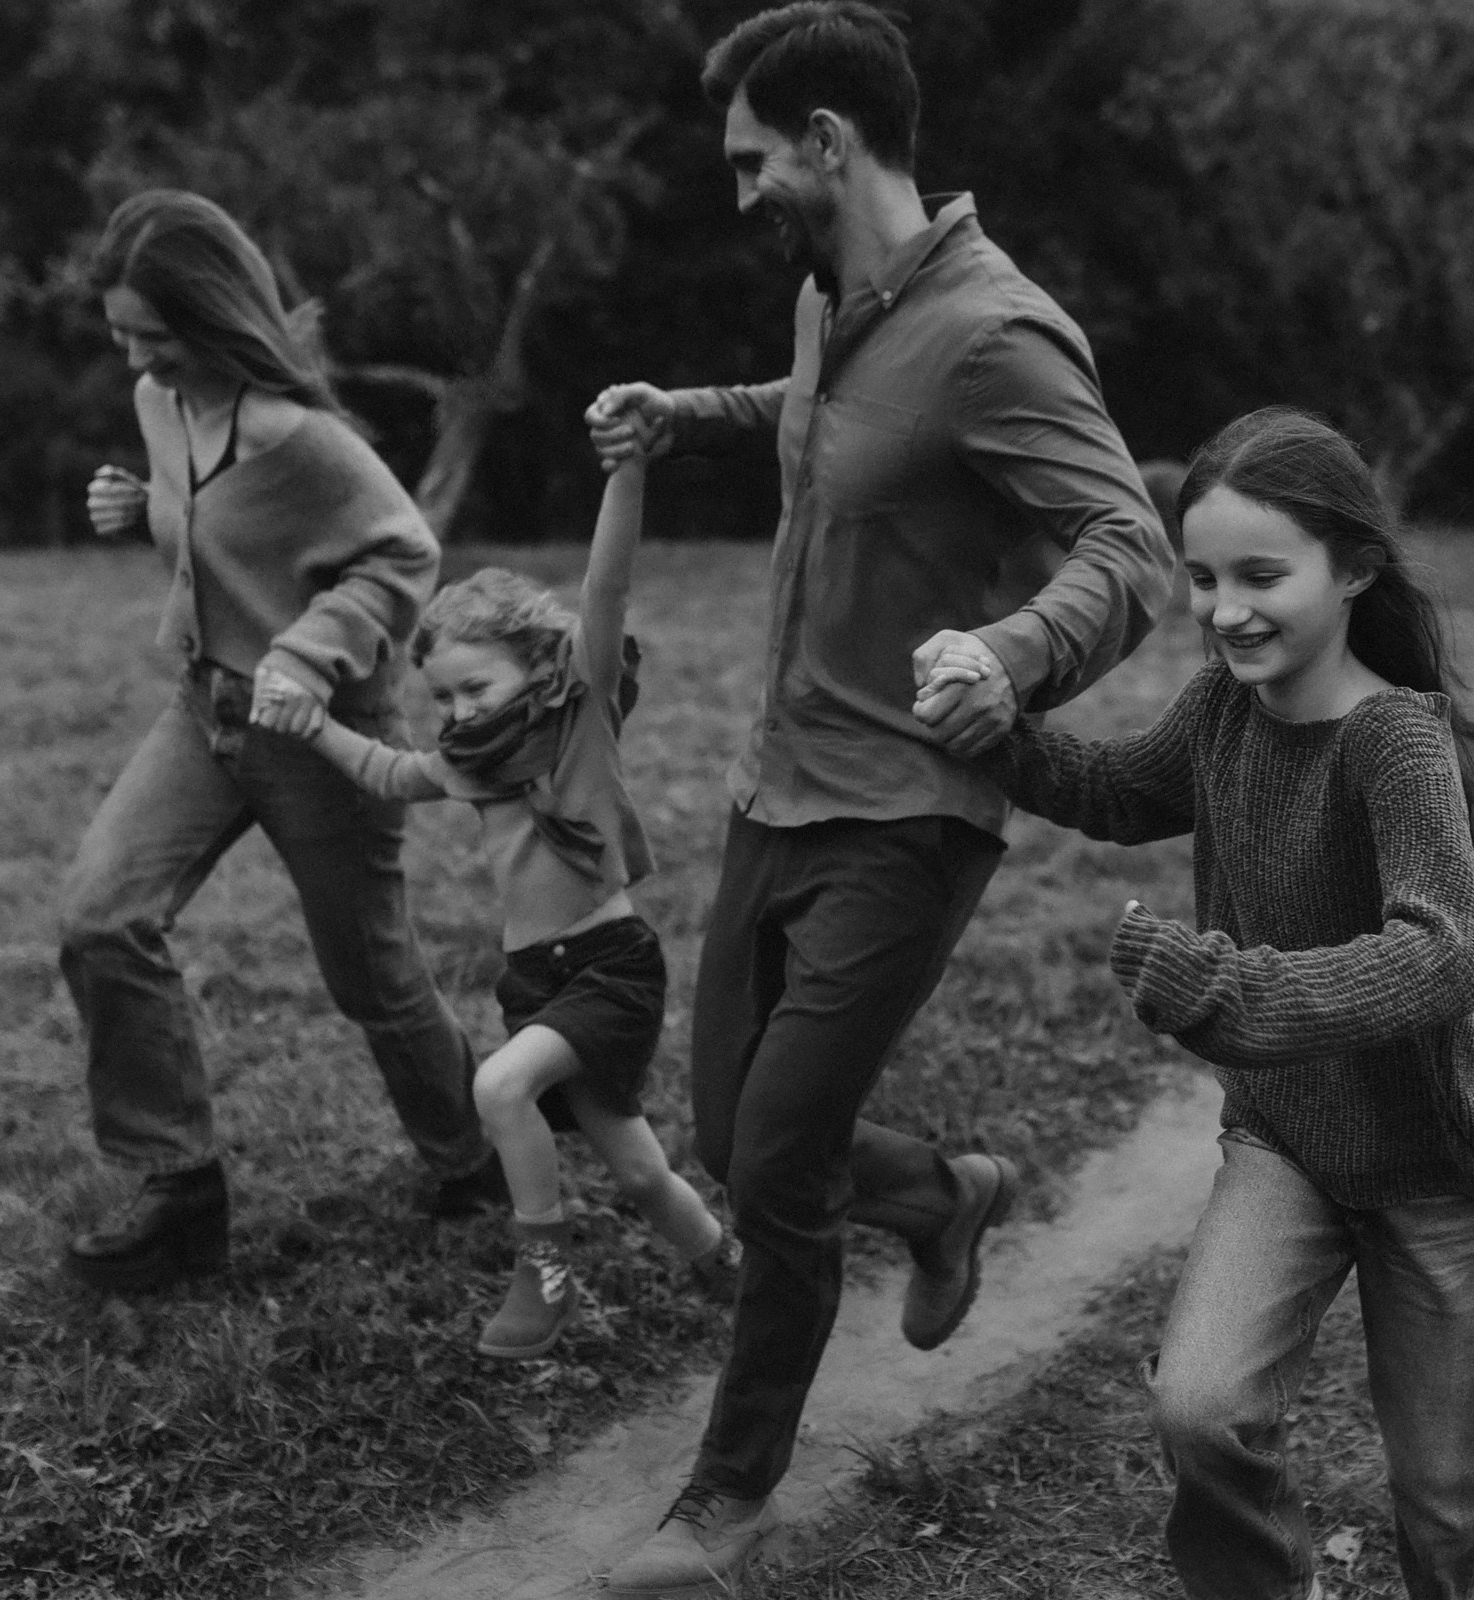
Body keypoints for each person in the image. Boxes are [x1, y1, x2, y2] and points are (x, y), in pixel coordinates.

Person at [582, 5, 1173, 1591]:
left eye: (753, 158)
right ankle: (943, 1192)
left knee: (773, 1159)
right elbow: (833, 428)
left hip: (911, 813)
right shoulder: (830, 302)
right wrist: (680, 415)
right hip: (775, 790)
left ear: (830, 143)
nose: (739, 190)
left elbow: (1134, 549)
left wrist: (1010, 644)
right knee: (731, 1128)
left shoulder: (998, 333)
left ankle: (726, 1493)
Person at [919, 407, 1474, 1600]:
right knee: (1201, 1408)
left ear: (1354, 569)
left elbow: (1446, 950)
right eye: (1202, 577)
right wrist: (1003, 731)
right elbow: (1111, 788)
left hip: (1439, 1175)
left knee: (1446, 1507)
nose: (1226, 608)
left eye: (1263, 575)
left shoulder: (1393, 743)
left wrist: (1245, 992)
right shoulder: (1223, 710)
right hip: (1288, 1142)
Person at [62, 189, 498, 1295]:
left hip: (321, 736)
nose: (136, 355)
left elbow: (403, 555)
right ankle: (180, 1193)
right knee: (102, 916)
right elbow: (220, 531)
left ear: (213, 320)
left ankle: (475, 1157)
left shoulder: (306, 440)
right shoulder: (162, 405)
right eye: (121, 332)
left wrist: (310, 652)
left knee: (374, 977)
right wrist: (147, 507)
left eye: (154, 334)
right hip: (206, 711)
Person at [250, 458, 738, 1359]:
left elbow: (610, 580)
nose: (460, 710)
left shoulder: (578, 712)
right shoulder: (471, 759)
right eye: (442, 696)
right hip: (533, 982)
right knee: (639, 1172)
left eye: (478, 688)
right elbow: (390, 772)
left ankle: (543, 1273)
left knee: (498, 1086)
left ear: (539, 663)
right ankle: (726, 1264)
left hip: (609, 968)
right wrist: (313, 724)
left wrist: (628, 466)